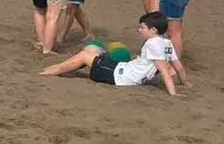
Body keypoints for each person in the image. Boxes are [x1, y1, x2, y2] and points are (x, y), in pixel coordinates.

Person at [40, 13, 188, 96]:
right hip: (124, 69)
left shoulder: (153, 44)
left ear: (153, 30)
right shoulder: (166, 43)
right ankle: (56, 69)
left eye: (143, 28)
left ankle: (51, 71)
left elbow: (164, 70)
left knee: (85, 55)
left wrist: (173, 93)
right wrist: (185, 83)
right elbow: (178, 67)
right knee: (92, 50)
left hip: (119, 76)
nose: (139, 30)